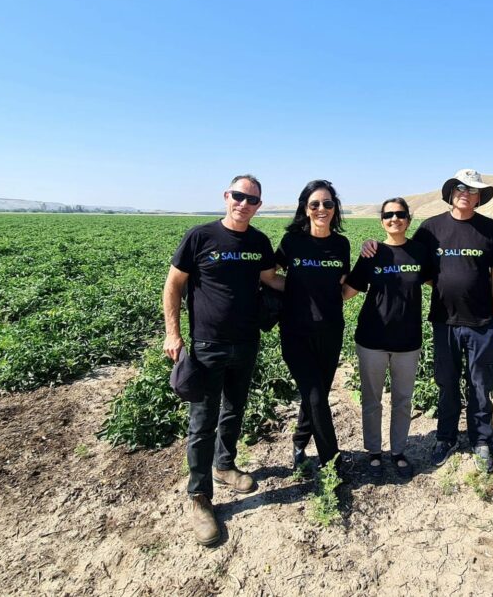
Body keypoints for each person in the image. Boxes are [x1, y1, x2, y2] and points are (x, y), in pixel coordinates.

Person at [163, 174, 283, 547]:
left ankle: (225, 465)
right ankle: (200, 497)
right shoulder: (200, 236)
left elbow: (272, 280)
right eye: (238, 196)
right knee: (202, 421)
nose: (243, 204)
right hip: (206, 345)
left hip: (245, 343)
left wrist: (318, 283)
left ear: (259, 205)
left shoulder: (260, 242)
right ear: (226, 196)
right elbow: (174, 285)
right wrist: (173, 333)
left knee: (234, 409)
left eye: (252, 199)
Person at [362, 169, 493, 468]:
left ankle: (481, 439)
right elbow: (407, 256)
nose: (465, 193)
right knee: (447, 382)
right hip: (444, 321)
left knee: (480, 383)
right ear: (451, 193)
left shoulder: (490, 229)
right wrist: (370, 246)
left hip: (481, 323)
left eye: (472, 190)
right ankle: (446, 437)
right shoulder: (430, 228)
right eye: (460, 188)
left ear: (479, 197)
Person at [343, 198, 432, 480]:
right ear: (382, 220)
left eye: (400, 214)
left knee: (403, 400)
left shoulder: (420, 252)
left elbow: (441, 281)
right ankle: (373, 451)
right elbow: (349, 290)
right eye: (389, 215)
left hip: (408, 340)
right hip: (372, 339)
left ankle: (398, 451)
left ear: (409, 218)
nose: (395, 219)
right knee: (372, 400)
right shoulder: (372, 252)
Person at [275, 180, 351, 474]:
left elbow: (343, 285)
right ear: (305, 209)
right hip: (296, 331)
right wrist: (294, 288)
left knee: (316, 394)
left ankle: (298, 443)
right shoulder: (293, 241)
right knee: (316, 396)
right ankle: (332, 462)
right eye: (315, 204)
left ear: (335, 208)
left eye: (328, 204)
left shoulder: (341, 244)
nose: (322, 209)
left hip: (331, 331)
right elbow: (269, 274)